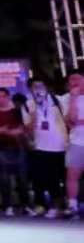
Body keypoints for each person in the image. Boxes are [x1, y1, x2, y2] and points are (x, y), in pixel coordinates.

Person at [0, 87, 31, 215]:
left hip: (18, 147)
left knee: (22, 178)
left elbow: (24, 128)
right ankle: (7, 205)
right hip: (1, 148)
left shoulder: (17, 112)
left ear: (8, 97)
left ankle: (25, 206)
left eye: (3, 96)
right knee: (4, 179)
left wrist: (10, 132)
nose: (0, 99)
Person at [29, 78, 68, 218]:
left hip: (61, 145)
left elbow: (67, 119)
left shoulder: (58, 100)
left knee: (62, 177)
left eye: (41, 86)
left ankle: (65, 206)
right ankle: (47, 206)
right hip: (40, 146)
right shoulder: (28, 104)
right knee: (44, 178)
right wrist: (34, 114)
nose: (38, 90)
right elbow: (27, 127)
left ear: (47, 87)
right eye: (35, 87)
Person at [63, 72, 84, 218]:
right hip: (76, 141)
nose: (74, 82)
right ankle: (72, 206)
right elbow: (71, 120)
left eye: (78, 79)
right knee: (72, 174)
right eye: (71, 79)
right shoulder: (66, 98)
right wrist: (73, 99)